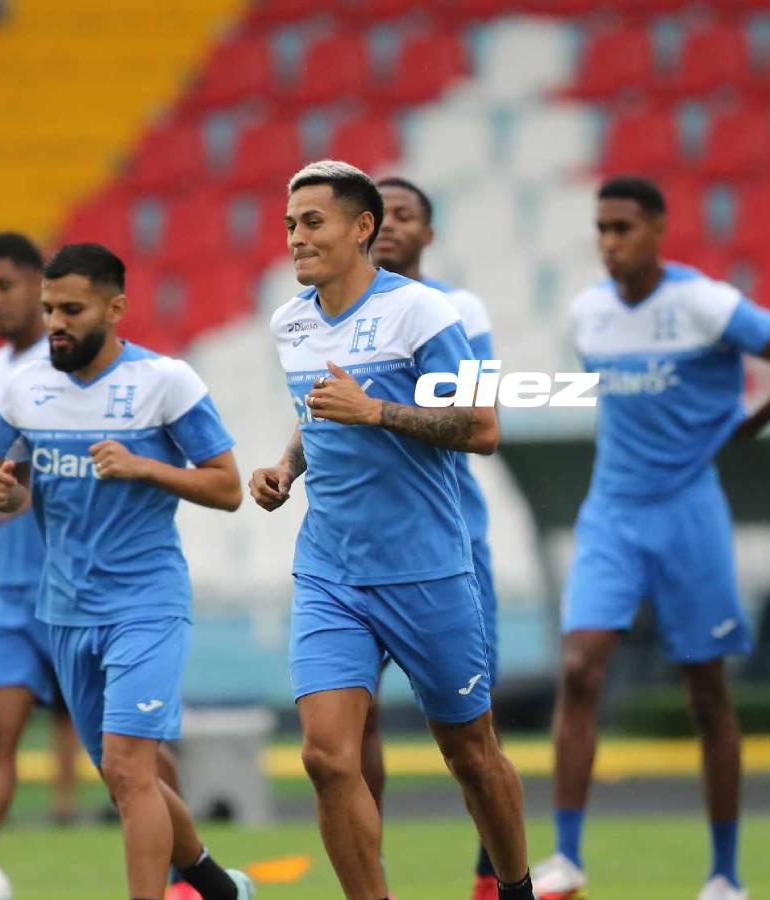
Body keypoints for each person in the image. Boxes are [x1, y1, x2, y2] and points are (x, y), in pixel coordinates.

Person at [531, 175, 770, 900]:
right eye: (601, 229)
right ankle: (566, 859)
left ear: (659, 229)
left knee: (707, 692)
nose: (610, 244)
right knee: (579, 670)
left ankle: (725, 873)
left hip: (688, 511)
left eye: (624, 228)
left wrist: (747, 427)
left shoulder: (704, 304)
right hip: (611, 511)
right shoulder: (588, 315)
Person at [250, 160, 534, 900]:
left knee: (471, 755)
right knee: (326, 757)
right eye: (289, 225)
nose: (296, 239)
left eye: (312, 222)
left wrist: (375, 410)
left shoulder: (424, 315)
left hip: (427, 569)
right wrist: (286, 466)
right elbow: (321, 414)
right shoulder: (291, 322)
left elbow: (481, 426)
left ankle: (516, 890)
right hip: (330, 572)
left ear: (362, 227)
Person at [0, 243, 253, 900]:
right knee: (125, 775)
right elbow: (16, 486)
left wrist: (143, 465)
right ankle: (218, 887)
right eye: (48, 309)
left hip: (146, 605)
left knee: (130, 769)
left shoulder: (166, 383)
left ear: (116, 307)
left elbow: (227, 487)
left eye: (71, 308)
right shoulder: (21, 393)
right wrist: (5, 496)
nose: (55, 323)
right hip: (66, 610)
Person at [365, 174, 504, 900]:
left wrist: (375, 402)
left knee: (473, 727)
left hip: (445, 534)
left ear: (429, 233)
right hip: (355, 544)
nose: (389, 224)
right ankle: (369, 871)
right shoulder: (331, 314)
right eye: (378, 213)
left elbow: (475, 416)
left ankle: (491, 875)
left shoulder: (458, 309)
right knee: (346, 722)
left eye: (405, 213)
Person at [0, 231, 82, 859]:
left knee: (127, 760)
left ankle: (197, 875)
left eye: (5, 285)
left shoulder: (77, 366)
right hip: (7, 588)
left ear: (42, 285)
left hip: (78, 585)